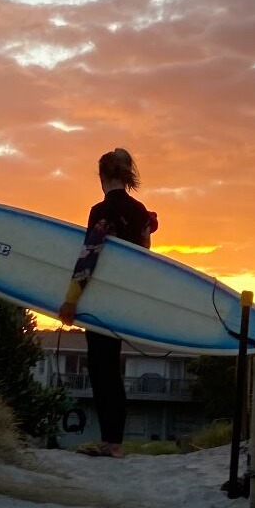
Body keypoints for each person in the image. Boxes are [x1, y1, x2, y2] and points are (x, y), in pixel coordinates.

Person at [58, 148, 158, 458]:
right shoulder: (140, 211)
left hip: (101, 299)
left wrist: (71, 300)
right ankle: (115, 441)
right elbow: (145, 253)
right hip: (125, 298)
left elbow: (90, 254)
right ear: (127, 176)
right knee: (112, 369)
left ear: (102, 176)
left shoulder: (100, 210)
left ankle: (111, 443)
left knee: (102, 369)